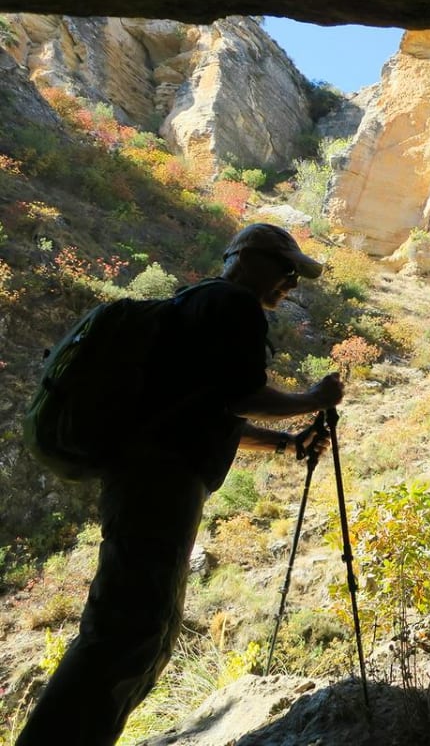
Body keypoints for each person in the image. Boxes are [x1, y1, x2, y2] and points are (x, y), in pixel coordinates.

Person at [17, 223, 344, 746]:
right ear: (248, 259)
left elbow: (212, 415)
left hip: (146, 479)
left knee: (135, 627)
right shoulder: (233, 306)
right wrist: (314, 397)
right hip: (160, 486)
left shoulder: (193, 306)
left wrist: (284, 443)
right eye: (286, 270)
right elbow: (244, 397)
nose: (291, 283)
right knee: (131, 632)